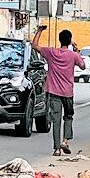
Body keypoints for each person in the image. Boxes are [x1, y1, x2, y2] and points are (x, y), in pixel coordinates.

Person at [32, 25, 85, 156]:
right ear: (69, 41)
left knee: (56, 121)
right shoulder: (73, 55)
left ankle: (56, 149)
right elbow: (83, 67)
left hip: (54, 92)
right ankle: (65, 141)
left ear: (60, 40)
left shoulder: (51, 52)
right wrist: (77, 50)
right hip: (67, 92)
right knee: (68, 117)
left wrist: (39, 31)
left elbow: (34, 46)